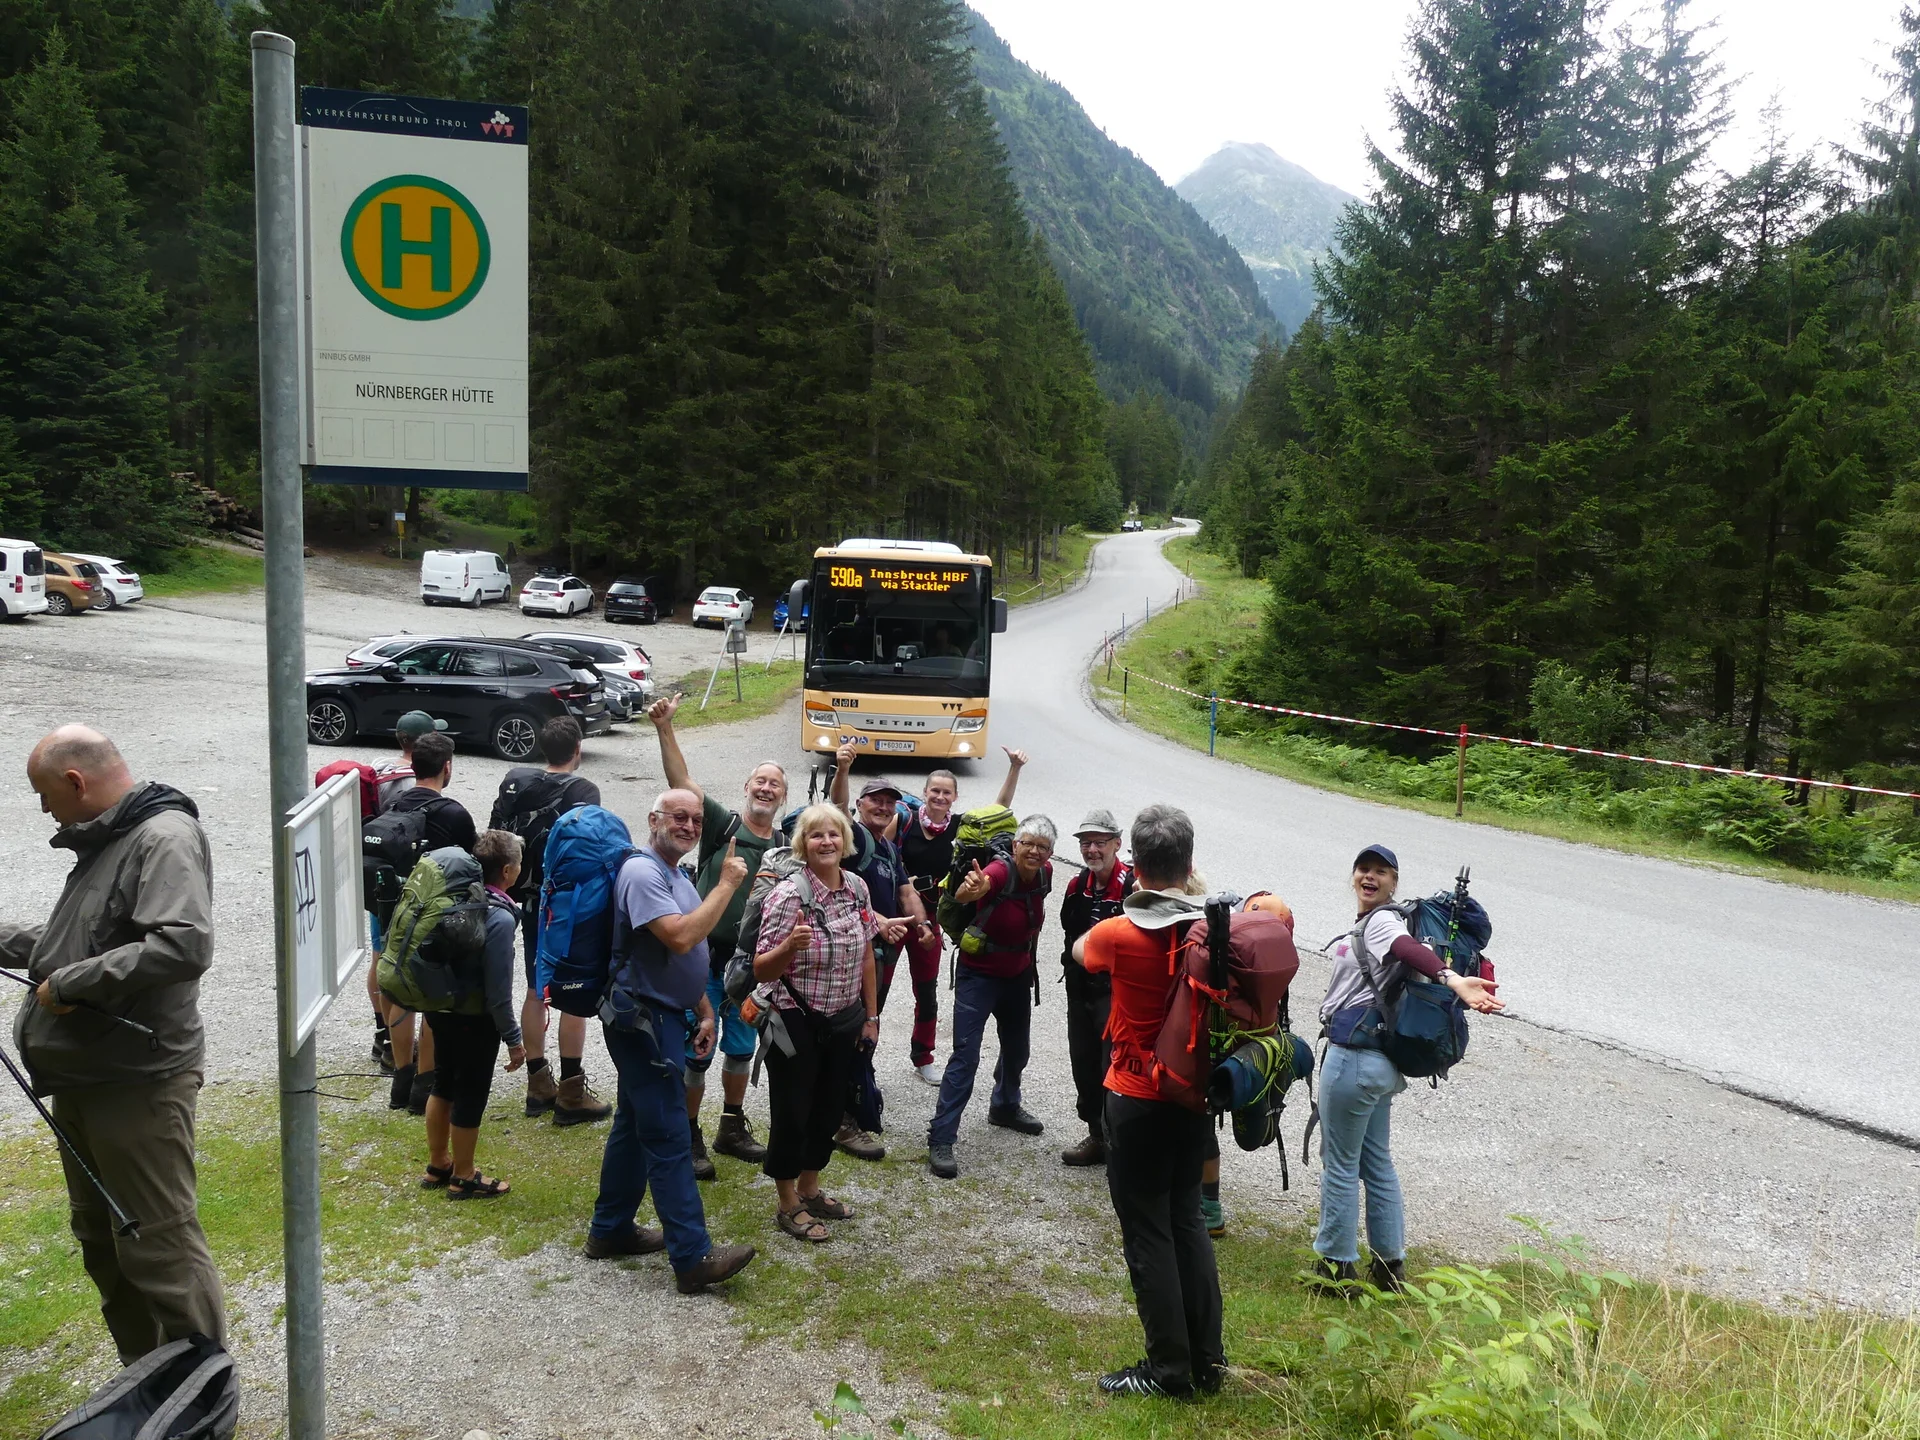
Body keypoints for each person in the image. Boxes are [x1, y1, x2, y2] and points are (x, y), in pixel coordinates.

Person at [1, 726, 226, 1362]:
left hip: (137, 1083)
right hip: (86, 1080)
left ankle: (199, 1398)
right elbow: (74, 939)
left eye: (45, 796)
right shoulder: (113, 838)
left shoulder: (164, 838)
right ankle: (147, 1384)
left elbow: (184, 944)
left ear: (75, 782)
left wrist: (74, 982)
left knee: (158, 1244)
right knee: (103, 1240)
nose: (45, 810)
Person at [582, 788, 756, 1294]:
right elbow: (680, 936)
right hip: (640, 1022)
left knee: (635, 1123)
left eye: (697, 819)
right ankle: (692, 1257)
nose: (689, 825)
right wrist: (726, 885)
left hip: (662, 1016)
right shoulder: (642, 873)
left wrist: (701, 1007)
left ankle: (609, 1230)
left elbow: (687, 947)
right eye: (678, 817)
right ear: (653, 819)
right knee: (669, 1135)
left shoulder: (674, 874)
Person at [1072, 804, 1219, 1399]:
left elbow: (1082, 951)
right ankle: (1207, 1361)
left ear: (1136, 863)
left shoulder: (1119, 931)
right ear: (1188, 862)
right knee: (1188, 1221)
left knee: (1148, 1232)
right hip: (1192, 1098)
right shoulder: (1211, 929)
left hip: (1135, 1096)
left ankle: (1167, 1371)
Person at [1311, 844, 1502, 1293]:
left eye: (1382, 872)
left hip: (1353, 1058)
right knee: (1376, 1161)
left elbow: (1407, 949)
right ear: (1353, 875)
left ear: (1396, 883)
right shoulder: (1376, 922)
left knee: (1339, 1163)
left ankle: (1336, 1268)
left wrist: (1452, 979)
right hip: (1380, 1065)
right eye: (1364, 869)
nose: (1370, 877)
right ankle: (1389, 1265)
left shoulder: (1383, 922)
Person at [648, 694, 781, 1177]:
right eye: (760, 781)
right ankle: (688, 1135)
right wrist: (665, 727)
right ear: (747, 787)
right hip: (704, 957)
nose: (765, 789)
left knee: (741, 1046)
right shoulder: (722, 825)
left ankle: (730, 1125)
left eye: (774, 785)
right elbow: (681, 785)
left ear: (781, 798)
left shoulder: (786, 846)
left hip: (749, 965)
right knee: (697, 1048)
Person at [751, 804, 880, 1243]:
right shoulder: (789, 895)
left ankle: (811, 1188)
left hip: (843, 1020)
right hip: (793, 1021)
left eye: (833, 834)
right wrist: (790, 945)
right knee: (793, 1111)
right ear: (801, 844)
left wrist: (871, 1016)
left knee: (827, 1108)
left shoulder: (858, 888)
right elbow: (761, 969)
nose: (826, 842)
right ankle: (787, 1202)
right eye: (815, 835)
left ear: (845, 842)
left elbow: (865, 954)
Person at [489, 715, 611, 1127]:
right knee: (573, 992)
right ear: (577, 749)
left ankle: (538, 1084)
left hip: (526, 900)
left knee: (532, 987)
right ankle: (572, 1091)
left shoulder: (516, 782)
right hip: (569, 904)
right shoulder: (584, 790)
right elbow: (590, 847)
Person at [925, 814, 1056, 1180]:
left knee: (1017, 1050)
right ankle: (941, 1137)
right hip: (978, 976)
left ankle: (1005, 1106)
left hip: (1016, 976)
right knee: (965, 1057)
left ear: (1050, 854)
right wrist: (973, 888)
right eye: (1027, 843)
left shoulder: (1043, 876)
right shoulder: (999, 871)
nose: (1033, 851)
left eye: (1041, 847)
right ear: (1014, 845)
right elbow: (970, 891)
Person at [893, 754, 1028, 1085]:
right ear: (924, 792)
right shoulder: (905, 822)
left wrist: (1014, 768)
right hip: (896, 916)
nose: (940, 797)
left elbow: (999, 808)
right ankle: (862, 1052)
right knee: (876, 989)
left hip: (931, 922)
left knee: (926, 990)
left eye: (946, 793)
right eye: (934, 791)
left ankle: (923, 1057)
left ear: (955, 798)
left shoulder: (961, 827)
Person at [826, 751, 925, 1160]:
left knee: (867, 1027)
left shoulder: (888, 849)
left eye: (889, 802)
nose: (883, 807)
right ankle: (841, 1120)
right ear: (861, 805)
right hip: (855, 954)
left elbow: (906, 891)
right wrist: (844, 770)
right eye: (875, 800)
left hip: (880, 956)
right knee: (853, 1030)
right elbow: (834, 808)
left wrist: (923, 926)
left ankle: (853, 1099)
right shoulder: (854, 838)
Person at [421, 830, 529, 1198]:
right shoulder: (499, 918)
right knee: (471, 1093)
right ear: (509, 871)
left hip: (440, 1009)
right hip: (474, 1019)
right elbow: (498, 994)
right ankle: (464, 1175)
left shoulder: (455, 898)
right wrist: (515, 1040)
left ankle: (439, 1164)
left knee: (443, 1083)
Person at [383, 730, 475, 1115]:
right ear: (447, 768)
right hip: (436, 917)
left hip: (396, 911)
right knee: (435, 997)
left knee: (401, 990)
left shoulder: (393, 803)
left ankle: (401, 1075)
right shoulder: (453, 813)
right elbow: (472, 866)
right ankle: (425, 1082)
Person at [1057, 809, 1135, 1167]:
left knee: (1114, 1068)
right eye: (1085, 843)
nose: (1091, 850)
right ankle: (1096, 1135)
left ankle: (1120, 1145)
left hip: (1117, 993)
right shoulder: (1077, 885)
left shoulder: (1135, 886)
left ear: (1117, 844)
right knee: (1084, 1064)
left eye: (1099, 843)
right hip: (1081, 988)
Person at [366, 709, 442, 1070]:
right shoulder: (416, 782)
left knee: (380, 954)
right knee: (409, 963)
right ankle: (406, 1048)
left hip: (377, 877)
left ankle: (383, 1033)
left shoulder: (379, 770)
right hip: (409, 883)